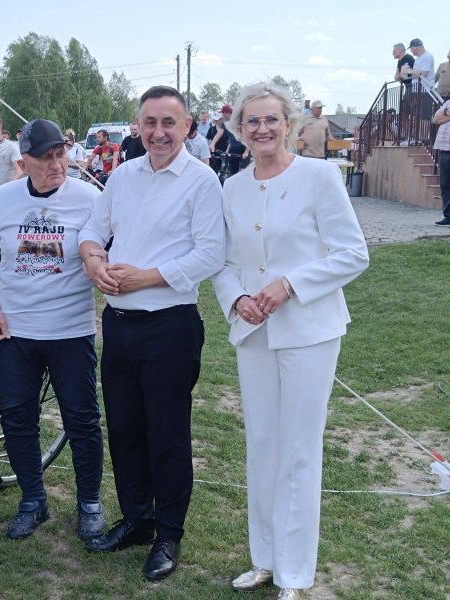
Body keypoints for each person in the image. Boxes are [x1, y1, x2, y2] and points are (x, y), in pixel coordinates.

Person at [212, 82, 369, 600]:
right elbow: (224, 261)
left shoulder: (319, 177)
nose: (262, 129)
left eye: (271, 119)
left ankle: (295, 575)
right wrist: (237, 299)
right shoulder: (232, 187)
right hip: (253, 330)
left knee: (299, 449)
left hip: (309, 330)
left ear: (289, 124)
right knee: (262, 444)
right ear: (239, 128)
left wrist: (289, 285)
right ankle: (265, 559)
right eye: (252, 121)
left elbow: (353, 254)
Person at [79, 85, 225, 581]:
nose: (158, 132)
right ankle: (137, 519)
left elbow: (211, 253)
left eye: (169, 123)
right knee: (124, 429)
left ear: (187, 127)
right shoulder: (123, 175)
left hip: (169, 327)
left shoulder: (202, 181)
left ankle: (168, 533)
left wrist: (146, 277)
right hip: (119, 324)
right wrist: (93, 260)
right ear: (138, 126)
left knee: (166, 434)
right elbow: (92, 229)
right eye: (150, 122)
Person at [0, 118, 105, 542]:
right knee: (17, 417)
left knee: (81, 419)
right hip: (17, 331)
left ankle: (89, 502)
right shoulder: (4, 199)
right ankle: (33, 499)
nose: (56, 165)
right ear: (25, 160)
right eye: (46, 158)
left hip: (70, 329)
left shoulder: (89, 199)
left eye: (60, 154)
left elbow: (111, 250)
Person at [432, 97, 450, 226]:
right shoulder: (448, 102)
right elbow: (436, 119)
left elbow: (441, 118)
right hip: (444, 150)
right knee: (445, 185)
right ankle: (448, 216)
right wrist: (446, 112)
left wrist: (446, 114)